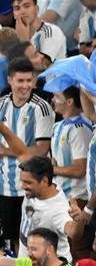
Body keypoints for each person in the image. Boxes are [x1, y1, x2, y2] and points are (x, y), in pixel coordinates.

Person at [0, 58, 51, 254]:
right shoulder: (1, 104)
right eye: (20, 81)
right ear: (10, 80)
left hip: (29, 189)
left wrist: (5, 151)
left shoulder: (41, 108)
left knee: (28, 242)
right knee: (8, 242)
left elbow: (41, 150)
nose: (25, 86)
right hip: (4, 187)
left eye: (29, 80)